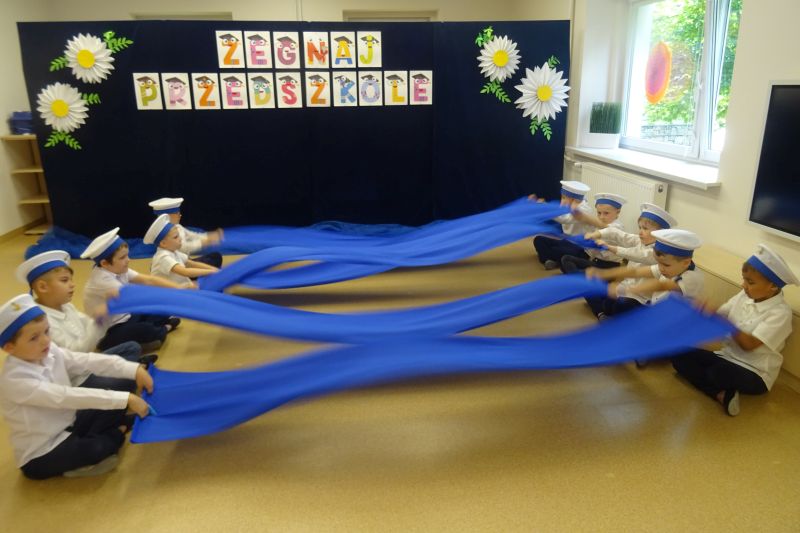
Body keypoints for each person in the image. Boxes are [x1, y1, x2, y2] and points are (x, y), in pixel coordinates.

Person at [0, 294, 153, 479]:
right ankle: (113, 434)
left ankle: (110, 431)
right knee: (98, 447)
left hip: (70, 423)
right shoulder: (15, 380)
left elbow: (86, 360)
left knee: (115, 397)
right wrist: (126, 399)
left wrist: (133, 369)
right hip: (43, 450)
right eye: (34, 338)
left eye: (47, 331)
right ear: (9, 348)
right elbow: (65, 396)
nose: (45, 340)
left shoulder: (49, 351)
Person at [672, 244, 797, 416]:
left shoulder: (781, 313)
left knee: (717, 373)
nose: (743, 285)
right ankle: (720, 394)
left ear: (773, 286)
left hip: (755, 372)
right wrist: (701, 312)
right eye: (744, 279)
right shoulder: (744, 295)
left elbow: (749, 345)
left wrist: (718, 318)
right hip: (727, 357)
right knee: (678, 355)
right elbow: (720, 314)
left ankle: (715, 389)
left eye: (750, 282)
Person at [15, 250, 157, 370]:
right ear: (42, 287)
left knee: (132, 347)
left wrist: (103, 315)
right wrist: (99, 318)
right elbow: (77, 351)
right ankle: (132, 370)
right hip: (76, 373)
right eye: (64, 280)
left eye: (71, 280)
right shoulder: (43, 322)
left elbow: (90, 326)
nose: (72, 285)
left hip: (87, 360)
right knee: (124, 379)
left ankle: (131, 369)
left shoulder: (66, 306)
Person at [82, 227, 189, 352]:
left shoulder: (118, 268)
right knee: (146, 329)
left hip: (127, 315)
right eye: (122, 258)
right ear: (105, 263)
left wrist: (179, 288)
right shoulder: (102, 280)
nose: (128, 260)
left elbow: (149, 280)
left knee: (160, 310)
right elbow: (134, 296)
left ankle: (157, 331)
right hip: (110, 331)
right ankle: (164, 329)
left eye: (127, 255)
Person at [582, 203, 677, 318]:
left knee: (621, 305)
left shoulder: (659, 253)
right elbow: (616, 233)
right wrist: (595, 234)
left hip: (640, 298)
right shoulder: (639, 240)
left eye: (645, 228)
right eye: (640, 227)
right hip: (625, 289)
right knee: (592, 291)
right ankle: (602, 313)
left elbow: (637, 254)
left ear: (660, 233)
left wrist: (610, 247)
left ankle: (606, 314)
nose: (640, 232)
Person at [586, 228, 704, 318]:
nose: (661, 268)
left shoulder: (691, 277)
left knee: (623, 308)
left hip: (671, 322)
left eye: (666, 265)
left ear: (686, 262)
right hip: (655, 311)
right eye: (658, 263)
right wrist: (604, 273)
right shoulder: (668, 267)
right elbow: (635, 272)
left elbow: (661, 285)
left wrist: (626, 290)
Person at [531, 180, 594, 270]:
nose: (562, 201)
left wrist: (543, 207)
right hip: (567, 242)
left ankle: (551, 259)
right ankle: (552, 260)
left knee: (557, 251)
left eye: (564, 198)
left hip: (581, 248)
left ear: (574, 199)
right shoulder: (570, 206)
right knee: (538, 240)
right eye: (562, 197)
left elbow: (564, 219)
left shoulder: (584, 210)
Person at [148, 197, 224, 268]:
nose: (180, 215)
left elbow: (193, 235)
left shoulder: (178, 227)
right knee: (213, 261)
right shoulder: (163, 233)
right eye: (177, 213)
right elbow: (183, 247)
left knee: (215, 257)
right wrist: (204, 242)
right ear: (167, 217)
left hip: (185, 261)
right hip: (177, 265)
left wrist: (209, 236)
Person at [560, 193, 626, 273]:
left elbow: (608, 230)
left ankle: (579, 278)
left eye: (606, 213)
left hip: (608, 267)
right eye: (599, 213)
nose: (601, 217)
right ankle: (578, 276)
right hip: (595, 261)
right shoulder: (598, 224)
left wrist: (586, 219)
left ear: (618, 212)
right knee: (566, 259)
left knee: (569, 263)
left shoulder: (618, 227)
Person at [144, 214, 219, 284]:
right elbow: (185, 272)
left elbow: (192, 263)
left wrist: (214, 269)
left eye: (179, 235)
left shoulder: (174, 252)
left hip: (179, 289)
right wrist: (211, 272)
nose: (180, 239)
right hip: (168, 292)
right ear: (163, 243)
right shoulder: (163, 257)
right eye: (175, 237)